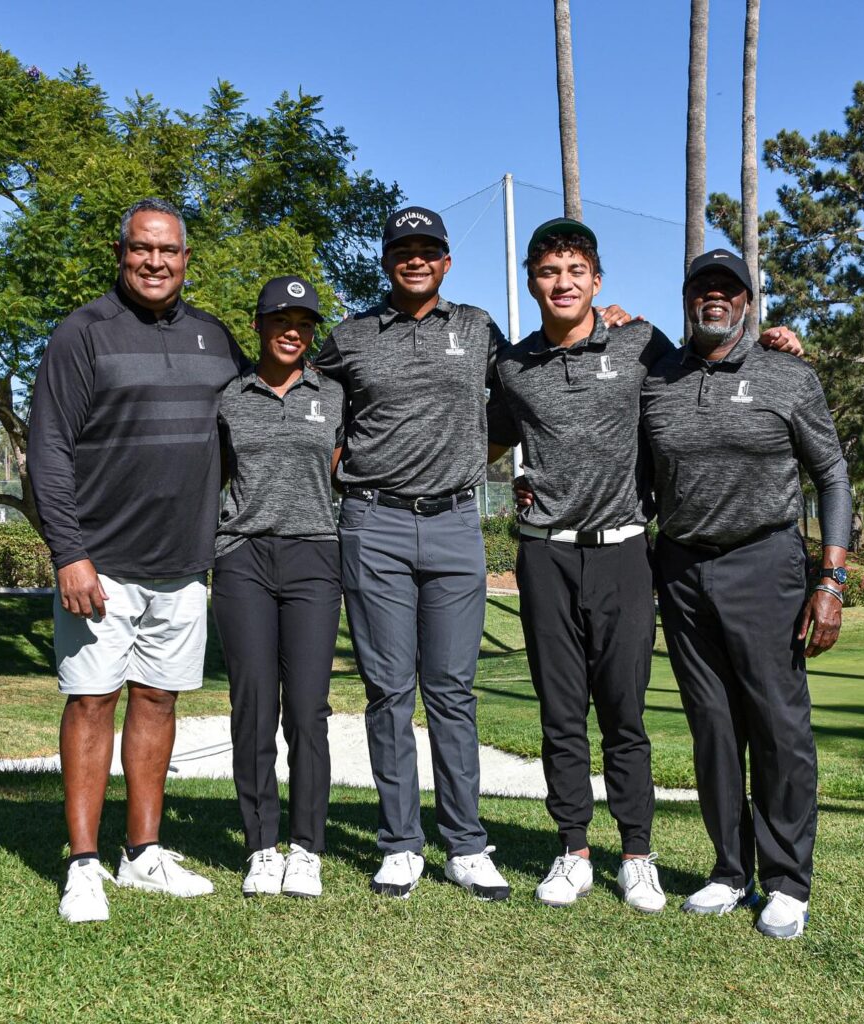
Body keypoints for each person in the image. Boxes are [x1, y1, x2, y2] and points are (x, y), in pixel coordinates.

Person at [492, 220, 805, 912]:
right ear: (530, 281)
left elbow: (712, 364)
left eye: (576, 269)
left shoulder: (639, 344)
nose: (562, 282)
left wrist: (777, 342)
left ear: (598, 280)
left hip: (628, 551)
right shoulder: (512, 368)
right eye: (548, 271)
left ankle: (638, 854)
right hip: (544, 553)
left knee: (624, 714)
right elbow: (480, 440)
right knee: (560, 714)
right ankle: (572, 850)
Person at [28, 198, 246, 923]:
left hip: (185, 565)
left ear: (187, 259)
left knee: (157, 700)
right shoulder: (81, 334)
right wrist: (69, 552)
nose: (155, 262)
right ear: (120, 253)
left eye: (169, 251)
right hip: (101, 565)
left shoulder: (215, 339)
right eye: (141, 249)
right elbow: (50, 450)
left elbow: (265, 404)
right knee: (92, 702)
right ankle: (84, 864)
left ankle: (142, 852)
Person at [641, 249, 851, 939]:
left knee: (779, 727)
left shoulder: (787, 375)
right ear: (687, 298)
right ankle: (730, 870)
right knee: (712, 726)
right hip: (680, 569)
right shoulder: (657, 378)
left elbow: (834, 478)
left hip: (766, 565)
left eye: (728, 289)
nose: (714, 298)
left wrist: (832, 578)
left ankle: (788, 881)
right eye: (703, 287)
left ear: (747, 301)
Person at [313, 206, 511, 900]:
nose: (416, 259)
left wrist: (470, 461)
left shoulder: (479, 328)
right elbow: (307, 402)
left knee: (452, 692)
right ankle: (399, 842)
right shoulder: (349, 337)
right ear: (387, 260)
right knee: (389, 693)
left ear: (447, 262)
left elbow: (525, 391)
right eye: (404, 249)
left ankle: (465, 845)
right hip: (375, 525)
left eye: (429, 249)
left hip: (457, 523)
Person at [212, 276, 344, 900]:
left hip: (315, 554)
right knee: (254, 705)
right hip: (242, 559)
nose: (293, 330)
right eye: (280, 319)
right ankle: (261, 846)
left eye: (304, 321)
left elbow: (347, 467)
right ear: (259, 325)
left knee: (309, 711)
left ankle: (306, 847)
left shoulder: (335, 394)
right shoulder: (230, 397)